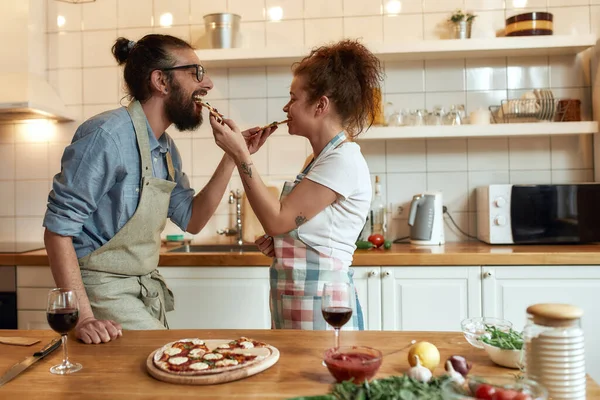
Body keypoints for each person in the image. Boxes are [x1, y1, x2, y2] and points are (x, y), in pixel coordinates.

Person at [43, 34, 275, 344]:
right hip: (101, 297)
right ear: (161, 82)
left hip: (141, 292)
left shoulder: (165, 149)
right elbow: (57, 231)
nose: (208, 85)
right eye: (197, 72)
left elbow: (192, 220)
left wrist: (233, 157)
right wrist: (84, 317)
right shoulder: (107, 135)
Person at [209, 39, 384, 330]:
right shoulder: (317, 160)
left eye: (293, 98)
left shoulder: (343, 160)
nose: (286, 106)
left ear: (321, 105)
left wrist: (240, 154)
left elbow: (277, 219)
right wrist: (283, 244)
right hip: (297, 306)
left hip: (324, 311)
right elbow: (295, 227)